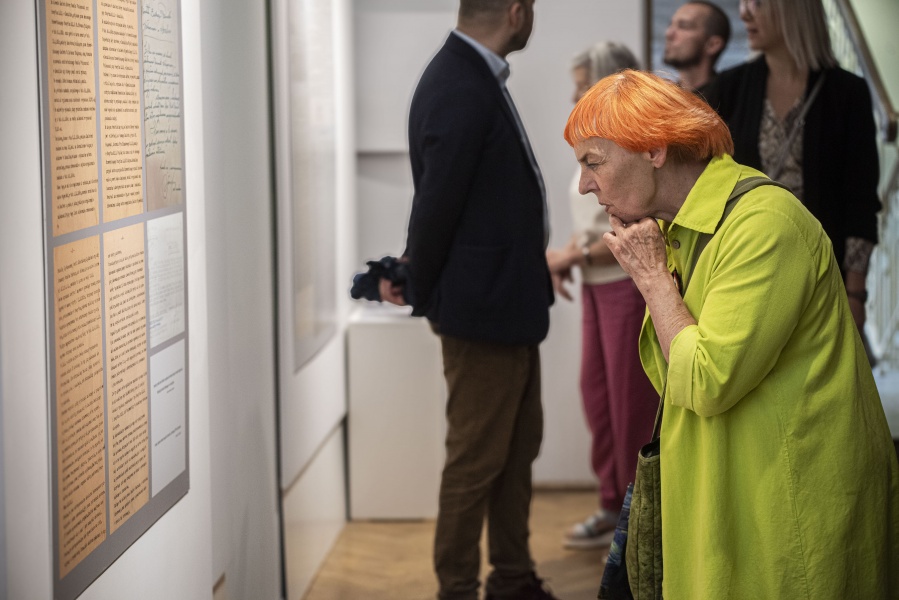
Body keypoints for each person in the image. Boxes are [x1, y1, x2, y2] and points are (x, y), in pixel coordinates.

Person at [563, 68, 899, 599]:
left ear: (654, 149)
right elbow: (674, 374)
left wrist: (654, 281)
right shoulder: (678, 229)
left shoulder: (764, 224)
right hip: (731, 491)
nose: (585, 184)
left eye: (593, 162)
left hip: (788, 509)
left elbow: (706, 379)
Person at [378, 1, 558, 599]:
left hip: (504, 303)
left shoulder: (471, 74)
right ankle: (456, 588)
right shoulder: (461, 80)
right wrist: (416, 280)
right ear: (516, 12)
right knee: (476, 459)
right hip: (483, 310)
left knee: (515, 450)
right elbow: (437, 202)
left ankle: (512, 576)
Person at [703, 0, 880, 341]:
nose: (744, 12)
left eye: (758, 3)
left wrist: (856, 292)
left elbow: (860, 202)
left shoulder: (847, 93)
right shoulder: (730, 87)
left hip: (820, 275)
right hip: (745, 266)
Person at [545, 41, 658, 551]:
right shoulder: (593, 143)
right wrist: (570, 255)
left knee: (630, 403)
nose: (574, 96)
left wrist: (570, 259)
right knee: (599, 398)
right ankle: (614, 503)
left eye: (581, 84)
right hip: (597, 286)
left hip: (626, 286)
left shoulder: (628, 146)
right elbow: (592, 221)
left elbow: (634, 226)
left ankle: (637, 517)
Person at [663, 1, 731, 93]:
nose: (668, 34)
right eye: (670, 25)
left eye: (683, 26)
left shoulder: (727, 97)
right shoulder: (666, 95)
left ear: (713, 45)